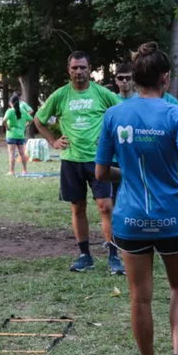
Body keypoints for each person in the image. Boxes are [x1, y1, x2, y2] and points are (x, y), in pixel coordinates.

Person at [96, 41, 178, 355]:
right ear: (166, 79)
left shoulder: (114, 116)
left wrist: (127, 172)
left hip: (129, 219)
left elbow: (100, 173)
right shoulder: (176, 114)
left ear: (135, 79)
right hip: (171, 216)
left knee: (139, 297)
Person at [34, 51, 123, 274]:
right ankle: (85, 256)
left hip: (98, 160)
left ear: (89, 69)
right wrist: (53, 140)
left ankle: (114, 256)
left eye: (83, 67)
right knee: (78, 207)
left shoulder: (102, 94)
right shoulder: (61, 95)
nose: (79, 72)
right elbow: (38, 119)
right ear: (69, 70)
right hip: (71, 160)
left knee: (106, 206)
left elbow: (123, 113)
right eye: (75, 68)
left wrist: (111, 139)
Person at [3, 94, 33, 175]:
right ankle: (24, 170)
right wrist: (25, 126)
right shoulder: (23, 111)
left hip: (11, 135)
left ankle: (11, 171)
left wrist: (7, 127)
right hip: (21, 135)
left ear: (11, 103)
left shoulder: (10, 111)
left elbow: (4, 120)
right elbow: (31, 120)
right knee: (22, 153)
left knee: (11, 153)